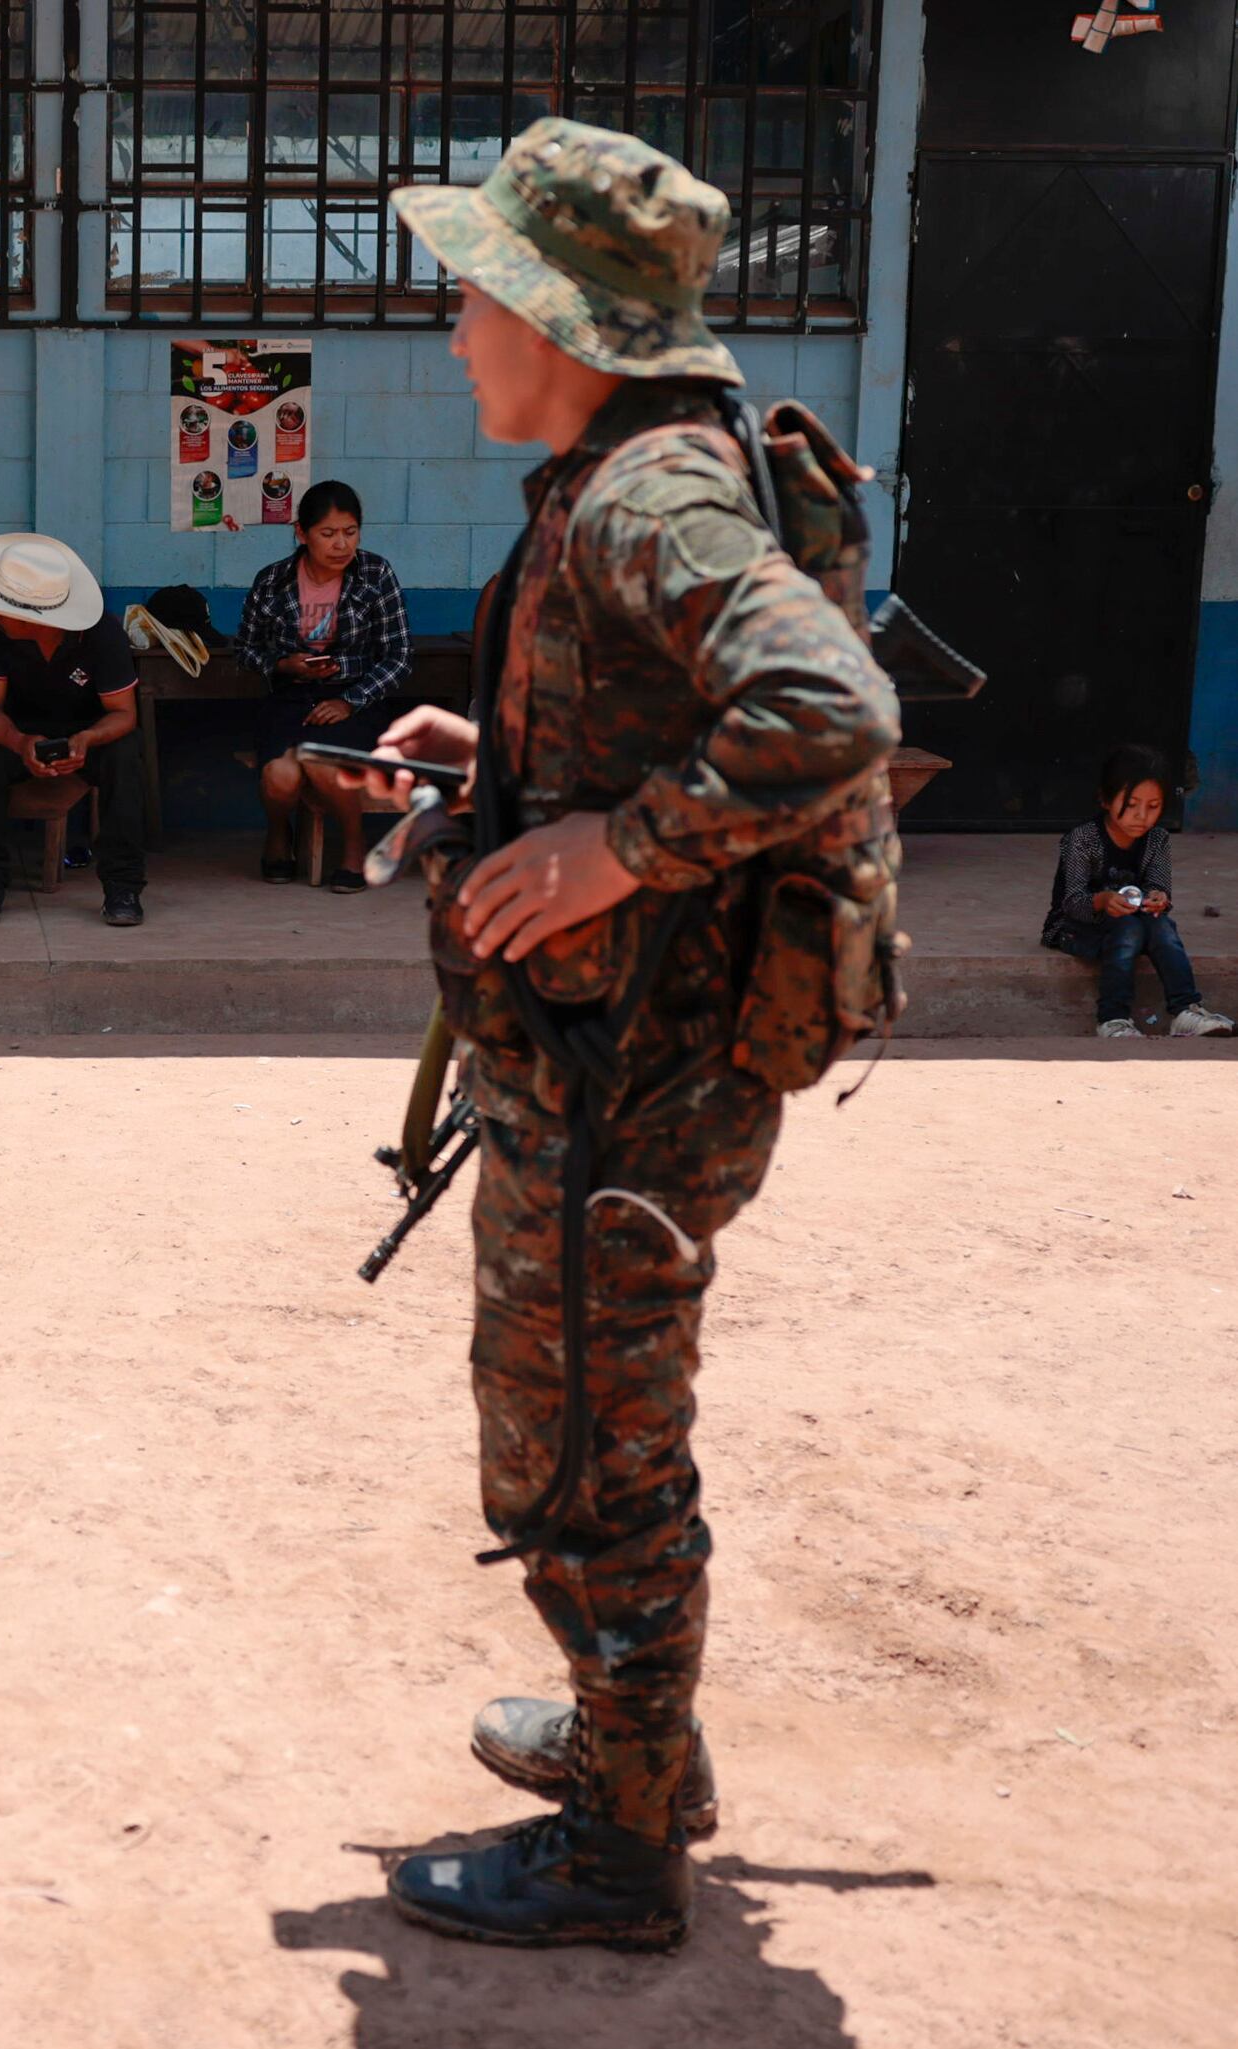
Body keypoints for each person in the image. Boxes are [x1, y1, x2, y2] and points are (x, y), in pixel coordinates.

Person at [345, 118, 903, 1951]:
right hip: (618, 1070)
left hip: (630, 1091)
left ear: (557, 319)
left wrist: (608, 847)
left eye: (469, 297)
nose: (451, 334)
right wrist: (500, 769)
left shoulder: (645, 497)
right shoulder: (625, 472)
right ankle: (633, 1736)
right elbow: (646, 712)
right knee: (587, 1423)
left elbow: (825, 707)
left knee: (583, 1451)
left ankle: (616, 1842)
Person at [0, 534, 150, 929]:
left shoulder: (101, 634)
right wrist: (19, 742)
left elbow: (123, 714)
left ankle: (123, 887)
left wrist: (88, 739)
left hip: (90, 732)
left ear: (33, 616)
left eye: (4, 609)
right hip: (19, 729)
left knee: (125, 755)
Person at [235, 479, 412, 892]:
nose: (341, 545)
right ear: (301, 533)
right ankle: (279, 834)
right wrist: (282, 664)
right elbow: (244, 650)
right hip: (290, 699)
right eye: (328, 533)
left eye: (350, 532)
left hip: (355, 700)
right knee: (280, 776)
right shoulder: (272, 581)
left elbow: (400, 656)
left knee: (323, 763)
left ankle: (353, 846)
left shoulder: (375, 574)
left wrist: (351, 699)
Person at [1042, 743, 1233, 1039]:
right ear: (1105, 799)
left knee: (1162, 925)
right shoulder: (1082, 839)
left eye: (1153, 807)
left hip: (1133, 923)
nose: (1142, 816)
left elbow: (1159, 887)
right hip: (1075, 927)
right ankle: (1113, 1019)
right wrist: (1103, 900)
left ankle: (1186, 1011)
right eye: (1131, 805)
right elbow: (1071, 902)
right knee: (1129, 929)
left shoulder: (1157, 840)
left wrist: (1158, 899)